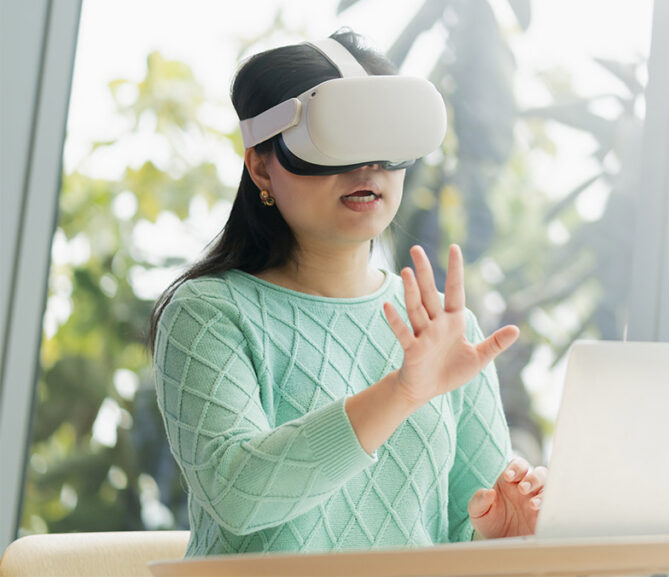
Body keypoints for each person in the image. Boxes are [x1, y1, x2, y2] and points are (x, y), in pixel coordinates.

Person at [148, 28, 545, 557]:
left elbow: (465, 527)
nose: (369, 167)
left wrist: (501, 535)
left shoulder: (445, 332)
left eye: (385, 143)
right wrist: (402, 390)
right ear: (263, 165)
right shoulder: (209, 313)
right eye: (337, 140)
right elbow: (237, 494)